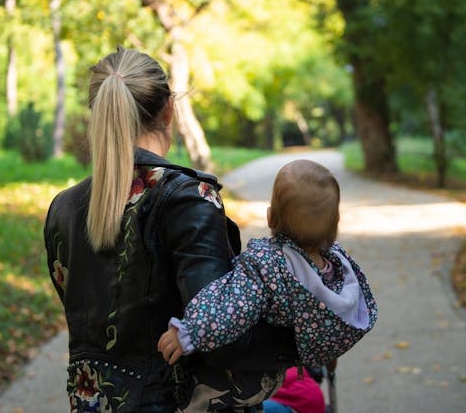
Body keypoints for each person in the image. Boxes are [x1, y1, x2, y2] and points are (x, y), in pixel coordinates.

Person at [44, 46, 286, 412]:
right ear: (169, 108)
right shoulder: (189, 198)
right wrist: (299, 330)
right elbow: (220, 336)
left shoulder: (63, 208)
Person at [158, 159, 378, 373]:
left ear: (270, 217)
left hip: (258, 363)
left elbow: (234, 306)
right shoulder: (339, 266)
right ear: (335, 224)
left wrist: (191, 331)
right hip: (311, 347)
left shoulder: (269, 265)